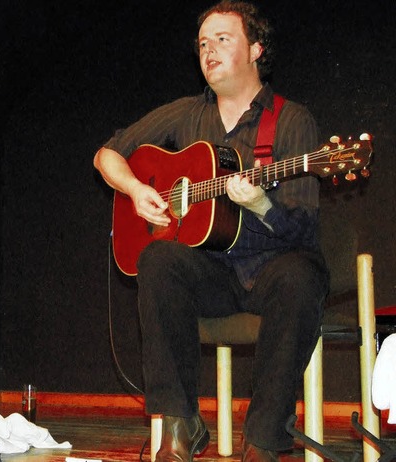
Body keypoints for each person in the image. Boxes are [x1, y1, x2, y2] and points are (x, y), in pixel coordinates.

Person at [93, 2, 328, 461]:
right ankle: (180, 429)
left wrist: (261, 203)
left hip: (272, 267)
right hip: (211, 274)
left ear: (256, 49)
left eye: (223, 39)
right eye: (203, 43)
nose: (209, 50)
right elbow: (107, 155)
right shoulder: (185, 114)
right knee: (157, 259)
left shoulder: (292, 120)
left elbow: (303, 228)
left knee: (302, 276)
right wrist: (138, 190)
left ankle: (262, 442)